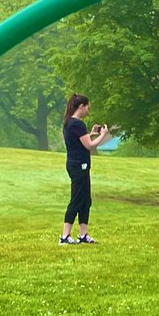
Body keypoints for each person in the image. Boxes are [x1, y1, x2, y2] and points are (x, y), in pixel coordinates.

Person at [59, 94, 112, 245]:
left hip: (76, 164)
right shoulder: (77, 124)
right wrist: (103, 135)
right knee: (76, 199)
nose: (89, 109)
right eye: (88, 106)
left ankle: (83, 234)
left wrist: (91, 134)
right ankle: (64, 236)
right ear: (81, 106)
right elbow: (89, 146)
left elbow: (81, 141)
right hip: (79, 165)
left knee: (85, 200)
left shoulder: (70, 123)